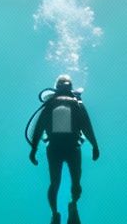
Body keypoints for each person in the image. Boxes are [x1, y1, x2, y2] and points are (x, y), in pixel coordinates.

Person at [28, 75, 99, 212]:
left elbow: (39, 128)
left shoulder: (49, 104)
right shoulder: (77, 103)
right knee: (76, 182)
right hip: (73, 148)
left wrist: (33, 150)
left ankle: (55, 212)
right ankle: (73, 204)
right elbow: (87, 127)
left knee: (54, 183)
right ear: (70, 87)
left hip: (54, 149)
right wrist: (95, 146)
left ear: (56, 88)